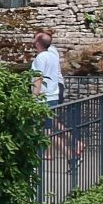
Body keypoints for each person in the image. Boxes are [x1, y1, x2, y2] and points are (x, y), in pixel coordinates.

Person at [30, 27, 84, 160]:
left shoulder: (41, 58)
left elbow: (38, 79)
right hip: (53, 95)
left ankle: (70, 155)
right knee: (50, 126)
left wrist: (33, 99)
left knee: (46, 130)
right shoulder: (52, 56)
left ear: (38, 43)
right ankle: (73, 147)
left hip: (43, 98)